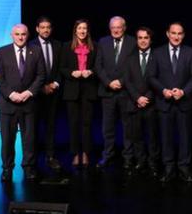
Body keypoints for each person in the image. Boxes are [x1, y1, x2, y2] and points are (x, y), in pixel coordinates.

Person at [0, 24, 45, 183]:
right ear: (12, 35)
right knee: (7, 140)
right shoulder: (2, 52)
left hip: (29, 103)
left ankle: (29, 167)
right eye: (17, 34)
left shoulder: (36, 50)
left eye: (23, 34)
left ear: (28, 35)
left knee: (29, 138)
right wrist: (11, 94)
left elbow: (40, 75)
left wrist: (28, 93)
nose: (20, 37)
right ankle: (7, 169)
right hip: (8, 104)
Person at [147, 22, 192, 182]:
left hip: (184, 103)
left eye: (179, 33)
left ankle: (184, 168)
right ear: (168, 34)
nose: (176, 36)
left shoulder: (190, 52)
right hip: (164, 102)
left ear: (183, 35)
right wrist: (163, 90)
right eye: (173, 33)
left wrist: (183, 91)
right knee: (166, 137)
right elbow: (151, 77)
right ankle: (168, 168)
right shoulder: (157, 53)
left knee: (185, 137)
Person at [95, 16, 136, 170]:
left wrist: (121, 81)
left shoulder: (132, 42)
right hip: (107, 91)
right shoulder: (103, 42)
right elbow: (98, 66)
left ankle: (128, 157)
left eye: (119, 27)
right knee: (108, 127)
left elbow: (134, 66)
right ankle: (108, 154)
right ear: (109, 28)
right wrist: (108, 82)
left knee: (128, 127)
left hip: (126, 92)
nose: (116, 30)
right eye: (113, 27)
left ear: (124, 28)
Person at [121, 27, 161, 178]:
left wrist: (147, 98)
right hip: (134, 102)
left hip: (151, 103)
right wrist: (137, 98)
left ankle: (153, 163)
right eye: (140, 38)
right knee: (136, 136)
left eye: (146, 38)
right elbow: (127, 81)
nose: (143, 40)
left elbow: (158, 79)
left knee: (152, 136)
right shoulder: (130, 58)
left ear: (151, 39)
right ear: (137, 39)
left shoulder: (156, 57)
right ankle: (141, 161)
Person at [61, 19, 98, 169]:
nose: (82, 31)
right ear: (75, 30)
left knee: (87, 124)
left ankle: (86, 153)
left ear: (87, 31)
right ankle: (75, 153)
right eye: (80, 28)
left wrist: (92, 72)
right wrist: (71, 73)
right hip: (72, 90)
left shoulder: (95, 47)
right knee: (73, 123)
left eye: (85, 28)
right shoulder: (66, 46)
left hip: (88, 89)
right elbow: (62, 68)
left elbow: (98, 67)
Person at [29, 16, 63, 172]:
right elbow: (28, 72)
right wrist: (41, 87)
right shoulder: (30, 45)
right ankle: (32, 158)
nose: (45, 30)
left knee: (51, 126)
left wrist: (54, 84)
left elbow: (62, 68)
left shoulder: (58, 45)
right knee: (33, 127)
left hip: (53, 93)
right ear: (37, 29)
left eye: (48, 27)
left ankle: (50, 156)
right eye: (42, 27)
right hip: (35, 94)